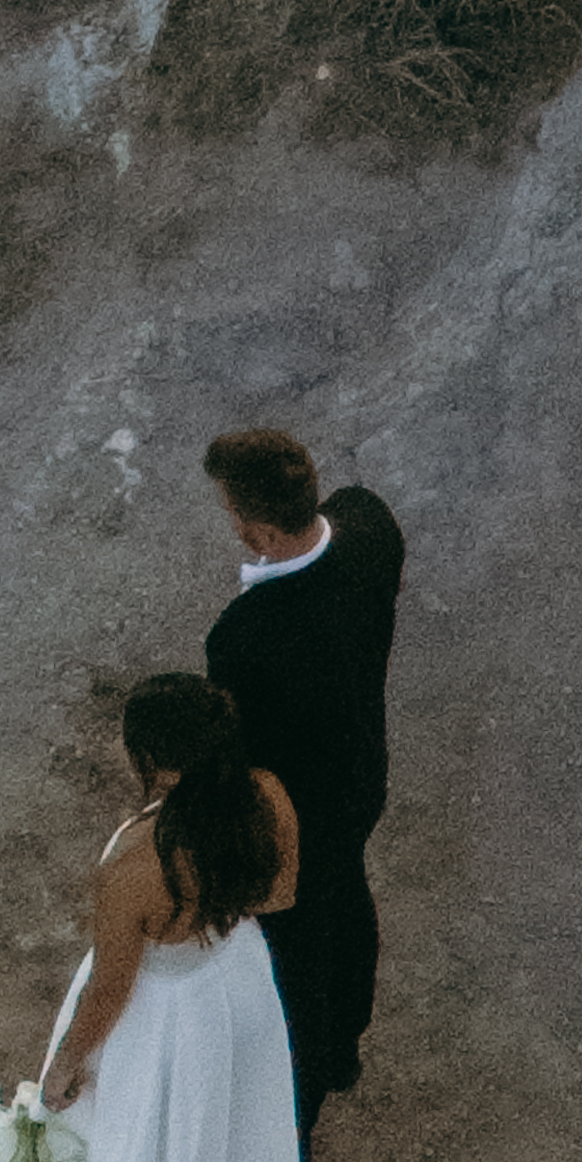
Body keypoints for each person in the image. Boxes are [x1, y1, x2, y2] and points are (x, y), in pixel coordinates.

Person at [0, 671, 318, 1162]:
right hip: (234, 985)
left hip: (165, 1015)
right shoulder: (265, 794)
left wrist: (63, 1070)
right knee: (227, 1137)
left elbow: (110, 991)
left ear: (147, 757)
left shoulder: (137, 862)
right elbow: (280, 894)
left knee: (134, 1151)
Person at [201, 422, 404, 1123]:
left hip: (300, 806)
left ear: (257, 531)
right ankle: (343, 1042)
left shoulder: (244, 638)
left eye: (231, 513)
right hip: (360, 774)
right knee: (347, 896)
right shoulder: (369, 525)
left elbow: (243, 755)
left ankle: (309, 1077)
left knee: (300, 942)